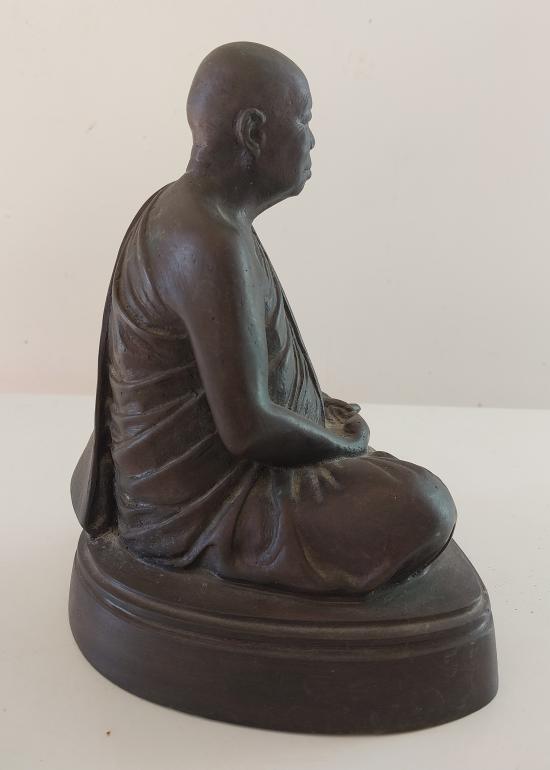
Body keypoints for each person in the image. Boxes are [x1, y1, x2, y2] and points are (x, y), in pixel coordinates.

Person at [71, 42, 456, 594]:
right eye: (303, 120)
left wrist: (316, 413)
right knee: (425, 504)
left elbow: (234, 379)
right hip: (203, 508)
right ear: (253, 132)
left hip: (211, 476)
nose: (311, 139)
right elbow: (249, 429)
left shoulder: (201, 215)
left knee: (396, 484)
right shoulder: (206, 240)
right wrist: (345, 444)